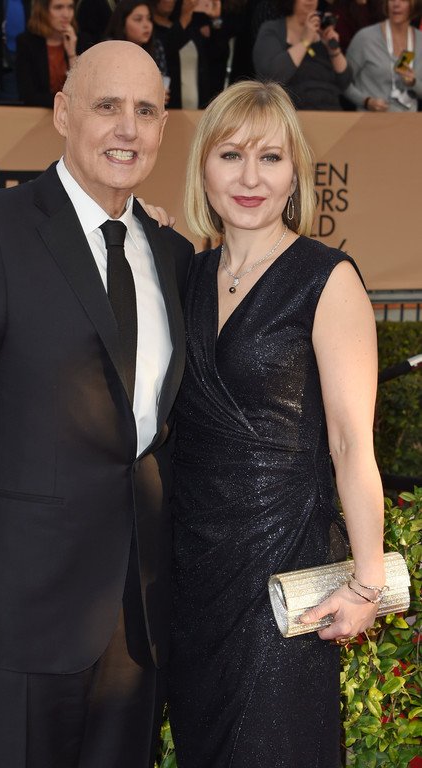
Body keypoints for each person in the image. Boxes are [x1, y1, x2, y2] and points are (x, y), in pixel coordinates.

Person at [0, 40, 193, 768]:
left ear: (164, 127)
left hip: (138, 612)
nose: (127, 128)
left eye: (146, 111)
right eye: (107, 106)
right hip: (18, 607)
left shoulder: (171, 254)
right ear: (63, 113)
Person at [168, 80, 385, 767]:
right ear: (204, 167)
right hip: (192, 573)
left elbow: (351, 444)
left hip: (284, 572)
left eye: (270, 157)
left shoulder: (327, 279)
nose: (250, 178)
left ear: (295, 173)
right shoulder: (185, 277)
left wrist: (368, 582)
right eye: (231, 155)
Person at [253, 0, 352, 109]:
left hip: (330, 110)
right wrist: (305, 41)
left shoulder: (322, 30)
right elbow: (272, 77)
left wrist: (333, 49)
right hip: (290, 110)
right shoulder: (272, 29)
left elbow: (345, 82)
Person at [344, 0, 422, 111]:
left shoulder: (420, 41)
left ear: (415, 4)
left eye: (403, 0)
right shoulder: (365, 38)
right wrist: (365, 101)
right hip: (370, 119)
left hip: (409, 120)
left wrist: (414, 83)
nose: (396, 4)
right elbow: (342, 82)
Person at [16, 0, 78, 108]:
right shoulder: (27, 43)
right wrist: (66, 101)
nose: (66, 14)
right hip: (39, 112)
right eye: (58, 7)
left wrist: (72, 54)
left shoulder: (81, 40)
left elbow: (85, 91)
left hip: (74, 114)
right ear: (43, 11)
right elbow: (28, 95)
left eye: (70, 7)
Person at [105, 0, 168, 80]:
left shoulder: (156, 46)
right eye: (138, 19)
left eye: (149, 19)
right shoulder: (108, 50)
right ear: (122, 25)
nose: (146, 25)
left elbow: (162, 79)